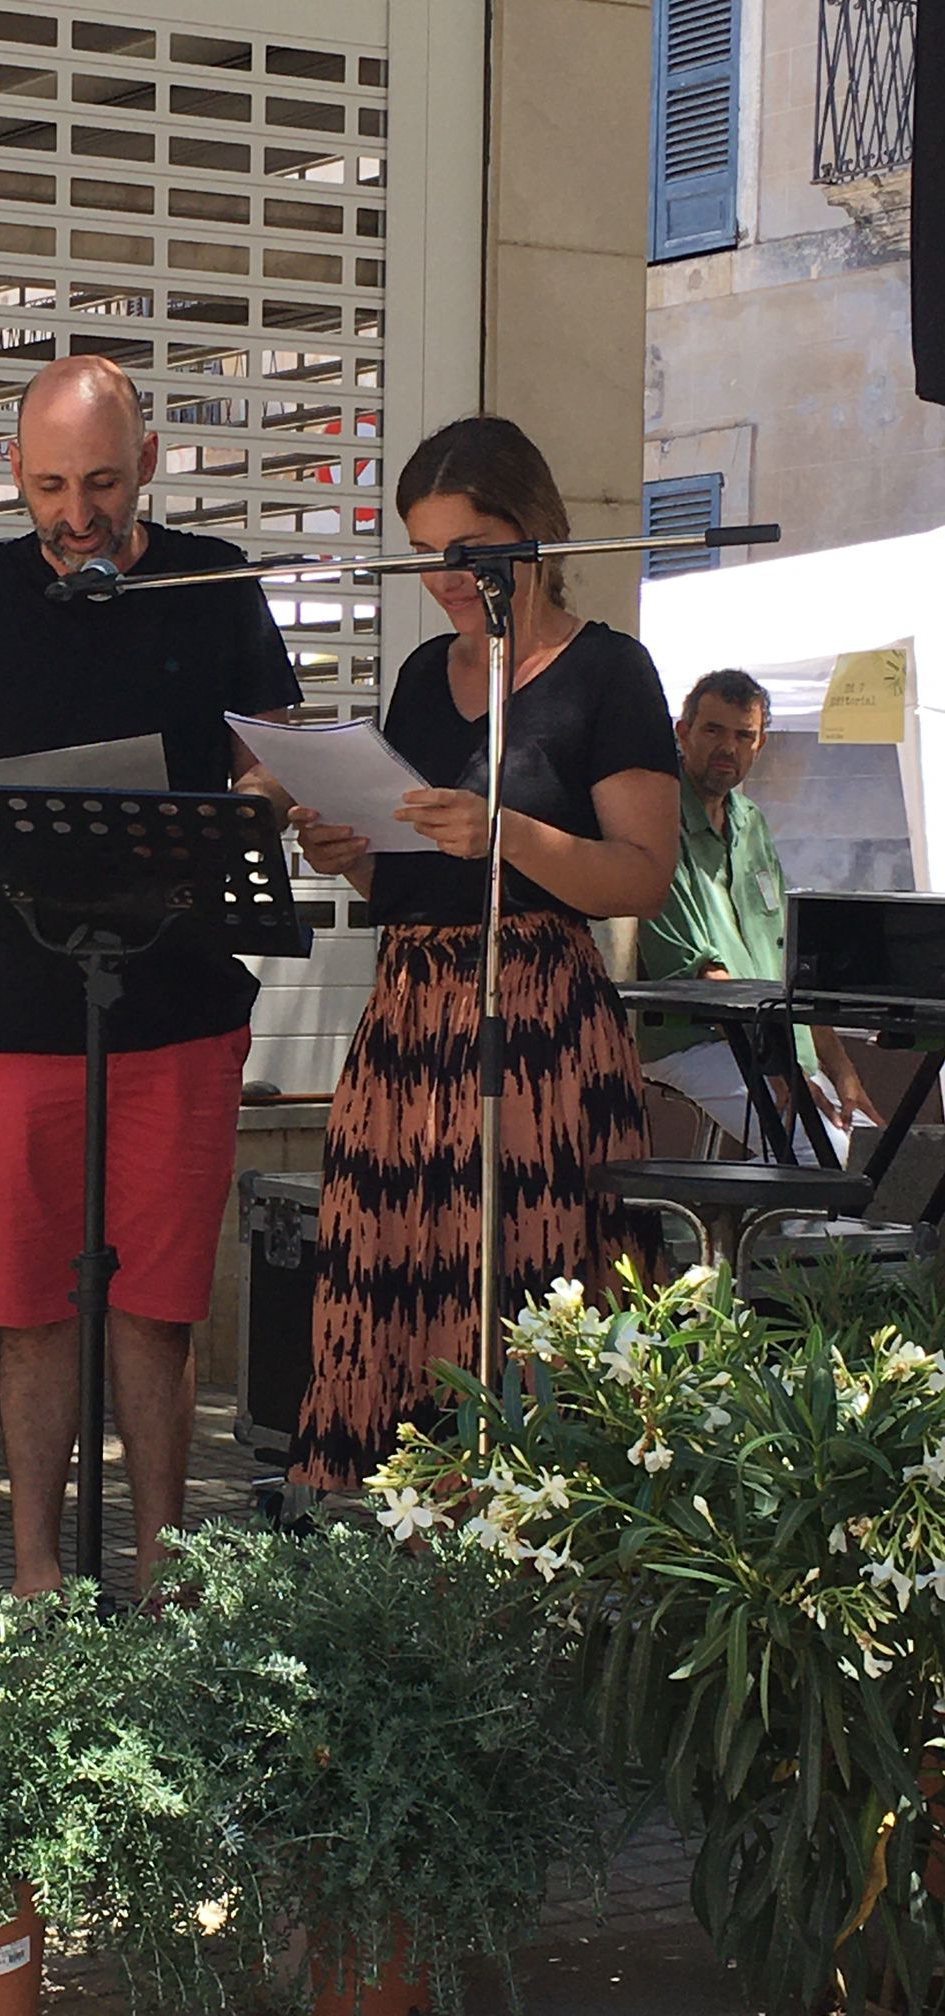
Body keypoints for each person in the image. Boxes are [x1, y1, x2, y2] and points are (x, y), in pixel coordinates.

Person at [0, 352, 300, 1596]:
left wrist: (252, 806)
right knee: (30, 1305)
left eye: (100, 482)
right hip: (18, 1005)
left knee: (157, 1306)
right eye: (47, 488)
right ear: (15, 478)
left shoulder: (212, 581)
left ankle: (161, 1568)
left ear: (148, 465)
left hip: (180, 1001)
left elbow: (272, 757)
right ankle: (33, 1576)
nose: (75, 514)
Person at [288, 416, 682, 1493]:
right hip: (408, 1020)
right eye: (426, 554)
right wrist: (351, 854)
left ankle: (534, 1543)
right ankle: (381, 1554)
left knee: (524, 1278)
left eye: (465, 553)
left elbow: (639, 872)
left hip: (537, 1023)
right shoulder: (423, 674)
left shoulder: (606, 672)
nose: (444, 579)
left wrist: (503, 829)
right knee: (389, 1279)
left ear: (530, 532)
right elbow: (423, 869)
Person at [637, 668, 879, 1163]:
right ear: (683, 732)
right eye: (713, 731)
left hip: (776, 1041)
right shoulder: (657, 818)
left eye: (743, 735)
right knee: (823, 1155)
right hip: (700, 1035)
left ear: (760, 744)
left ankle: (737, 1230)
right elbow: (702, 974)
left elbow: (789, 960)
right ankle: (740, 1233)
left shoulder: (751, 822)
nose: (728, 747)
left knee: (885, 1154)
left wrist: (841, 1067)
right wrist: (782, 1067)